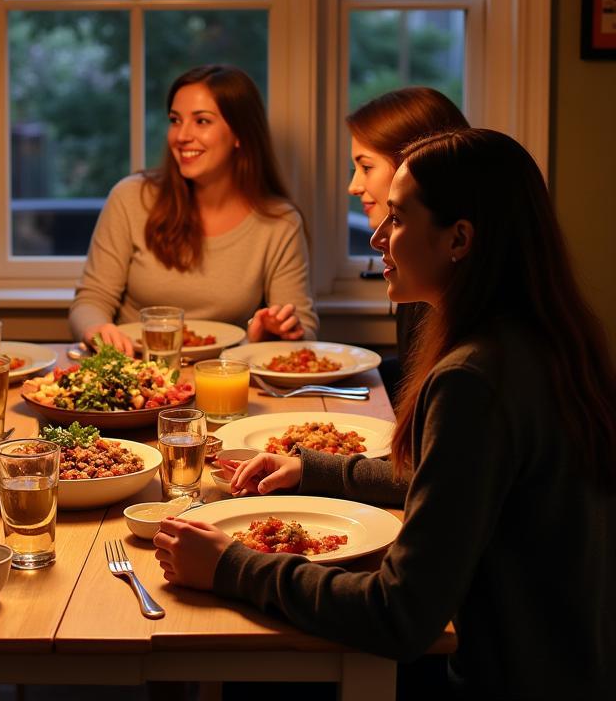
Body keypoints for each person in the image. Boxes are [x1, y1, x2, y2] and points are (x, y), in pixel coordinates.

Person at [153, 129, 616, 697]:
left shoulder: (473, 380)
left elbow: (399, 614)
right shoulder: (542, 341)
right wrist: (314, 468)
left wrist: (231, 566)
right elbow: (445, 484)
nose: (376, 237)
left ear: (460, 239)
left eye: (396, 218)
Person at [70, 65, 317, 354]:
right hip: (136, 375)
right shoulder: (130, 197)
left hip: (226, 379)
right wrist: (97, 330)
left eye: (201, 121)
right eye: (175, 120)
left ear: (240, 134)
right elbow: (91, 300)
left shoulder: (281, 222)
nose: (181, 136)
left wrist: (279, 332)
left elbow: (305, 328)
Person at [346, 87, 468, 400]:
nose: (353, 186)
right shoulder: (419, 272)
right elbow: (414, 376)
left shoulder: (471, 359)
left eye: (366, 167)